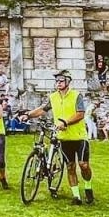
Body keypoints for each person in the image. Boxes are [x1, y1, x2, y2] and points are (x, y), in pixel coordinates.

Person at [25, 70, 93, 205]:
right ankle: (76, 196)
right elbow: (43, 109)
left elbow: (80, 114)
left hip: (79, 137)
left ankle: (88, 187)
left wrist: (65, 122)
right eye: (57, 81)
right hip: (64, 137)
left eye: (61, 81)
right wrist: (27, 115)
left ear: (68, 82)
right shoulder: (53, 97)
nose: (58, 83)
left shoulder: (76, 95)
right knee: (70, 166)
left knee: (83, 165)